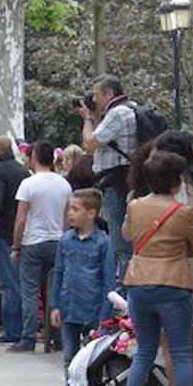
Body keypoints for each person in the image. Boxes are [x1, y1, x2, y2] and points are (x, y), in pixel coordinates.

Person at [116, 150, 193, 386]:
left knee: (143, 352)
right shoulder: (185, 212)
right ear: (176, 181)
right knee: (180, 354)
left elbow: (128, 236)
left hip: (139, 283)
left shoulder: (135, 206)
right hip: (174, 284)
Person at [50, 188, 116, 386]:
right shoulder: (65, 240)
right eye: (70, 209)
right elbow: (58, 272)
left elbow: (108, 280)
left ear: (91, 213)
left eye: (75, 209)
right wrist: (55, 304)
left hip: (93, 309)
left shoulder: (103, 243)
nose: (70, 214)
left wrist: (105, 315)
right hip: (69, 306)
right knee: (70, 356)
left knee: (91, 360)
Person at [10, 141, 72, 353]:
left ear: (34, 157)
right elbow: (67, 218)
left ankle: (28, 337)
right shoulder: (64, 184)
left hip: (32, 242)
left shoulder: (28, 184)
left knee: (28, 291)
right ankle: (56, 336)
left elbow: (21, 218)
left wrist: (16, 245)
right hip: (57, 241)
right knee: (54, 290)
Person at [78, 75, 139, 278]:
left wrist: (87, 118)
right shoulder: (130, 108)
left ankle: (125, 290)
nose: (93, 100)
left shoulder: (118, 113)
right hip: (124, 179)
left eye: (96, 95)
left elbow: (89, 144)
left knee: (120, 243)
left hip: (116, 182)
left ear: (110, 93)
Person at [0, 135, 30, 345]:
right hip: (24, 233)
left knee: (8, 284)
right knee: (23, 283)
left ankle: (12, 329)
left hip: (4, 232)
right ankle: (26, 327)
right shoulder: (21, 170)